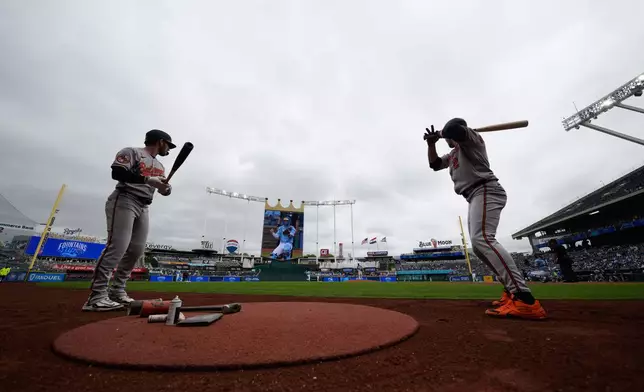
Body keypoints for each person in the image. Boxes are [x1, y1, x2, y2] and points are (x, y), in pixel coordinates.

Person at [425, 118, 547, 320]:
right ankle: (511, 291)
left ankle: (524, 299)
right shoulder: (454, 153)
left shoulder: (471, 139)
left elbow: (453, 128)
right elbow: (435, 164)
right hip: (475, 195)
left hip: (485, 189)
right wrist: (431, 144)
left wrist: (441, 132)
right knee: (479, 245)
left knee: (484, 239)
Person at [82, 129, 175, 311]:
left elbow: (158, 186)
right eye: (168, 145)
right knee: (117, 246)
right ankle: (97, 295)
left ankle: (117, 291)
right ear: (160, 142)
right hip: (125, 198)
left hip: (144, 205)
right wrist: (148, 180)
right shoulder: (132, 152)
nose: (169, 150)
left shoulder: (160, 166)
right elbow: (117, 173)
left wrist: (165, 189)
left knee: (136, 250)